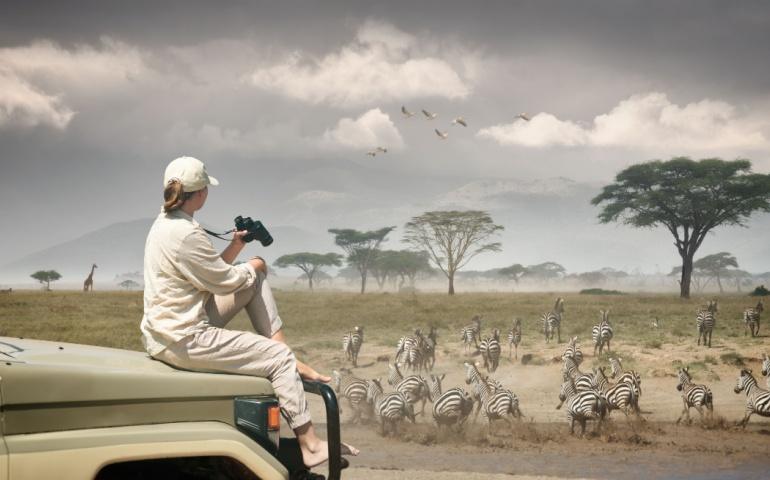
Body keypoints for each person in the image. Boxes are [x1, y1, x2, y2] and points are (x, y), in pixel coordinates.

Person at [140, 156, 358, 467]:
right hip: (185, 337)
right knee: (273, 339)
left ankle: (283, 353)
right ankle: (309, 442)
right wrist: (255, 265)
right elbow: (224, 281)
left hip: (165, 330)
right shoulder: (187, 234)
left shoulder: (165, 224)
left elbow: (209, 272)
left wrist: (237, 247)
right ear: (201, 193)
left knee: (253, 281)